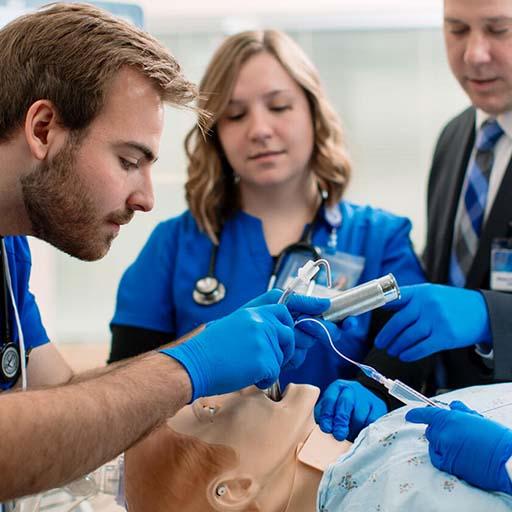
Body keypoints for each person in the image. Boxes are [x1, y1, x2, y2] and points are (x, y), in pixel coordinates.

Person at [0, 3, 330, 502]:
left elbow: (58, 399)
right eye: (128, 160)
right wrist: (188, 367)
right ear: (43, 129)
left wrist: (205, 346)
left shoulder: (10, 254)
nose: (146, 199)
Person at [109, 30, 427, 440]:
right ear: (215, 133)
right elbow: (124, 385)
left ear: (314, 112)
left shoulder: (381, 238)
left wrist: (372, 394)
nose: (259, 129)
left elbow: (416, 361)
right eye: (236, 114)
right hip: (202, 483)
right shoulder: (172, 248)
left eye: (279, 106)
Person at [374, 0, 512, 392]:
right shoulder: (455, 138)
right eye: (457, 30)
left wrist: (490, 316)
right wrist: (376, 379)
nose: (474, 54)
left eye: (499, 30)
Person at [123, 381, 512, 511]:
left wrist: (379, 434)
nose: (240, 387)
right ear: (236, 489)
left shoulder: (365, 467)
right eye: (209, 410)